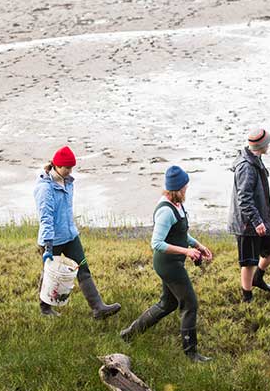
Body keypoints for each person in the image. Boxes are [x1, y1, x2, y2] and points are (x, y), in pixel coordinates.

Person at [120, 166, 213, 362]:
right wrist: (186, 251)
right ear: (177, 189)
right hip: (168, 265)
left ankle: (129, 334)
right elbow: (157, 243)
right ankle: (191, 353)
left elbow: (180, 233)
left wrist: (198, 245)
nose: (187, 189)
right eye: (185, 187)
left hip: (172, 262)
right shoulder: (165, 210)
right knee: (190, 304)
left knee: (167, 303)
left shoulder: (177, 204)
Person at [34, 146, 120, 319]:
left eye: (71, 168)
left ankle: (98, 308)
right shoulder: (45, 189)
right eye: (67, 167)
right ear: (57, 165)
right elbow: (46, 218)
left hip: (70, 236)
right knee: (51, 275)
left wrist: (72, 230)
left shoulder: (68, 182)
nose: (70, 171)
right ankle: (45, 309)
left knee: (83, 268)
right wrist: (48, 246)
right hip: (52, 239)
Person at [228, 128, 270, 302]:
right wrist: (257, 221)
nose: (269, 145)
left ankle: (258, 278)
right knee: (248, 262)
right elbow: (243, 199)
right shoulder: (246, 167)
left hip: (261, 218)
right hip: (247, 223)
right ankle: (247, 296)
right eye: (267, 143)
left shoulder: (256, 158)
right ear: (261, 145)